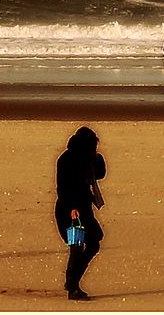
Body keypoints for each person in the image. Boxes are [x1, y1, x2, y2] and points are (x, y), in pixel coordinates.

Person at [55, 126, 106, 301]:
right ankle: (72, 286)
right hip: (70, 210)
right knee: (76, 247)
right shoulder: (66, 160)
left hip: (83, 209)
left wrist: (98, 159)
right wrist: (72, 209)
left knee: (93, 243)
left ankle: (72, 282)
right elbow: (64, 189)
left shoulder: (86, 158)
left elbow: (100, 174)